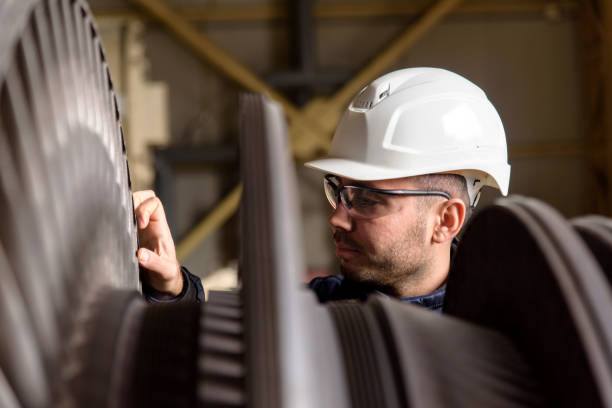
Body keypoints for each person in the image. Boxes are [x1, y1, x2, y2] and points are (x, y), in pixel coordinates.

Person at [135, 67, 509, 310]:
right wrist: (172, 285)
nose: (336, 217)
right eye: (340, 191)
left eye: (367, 199)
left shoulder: (504, 332)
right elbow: (230, 330)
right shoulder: (323, 306)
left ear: (446, 220)